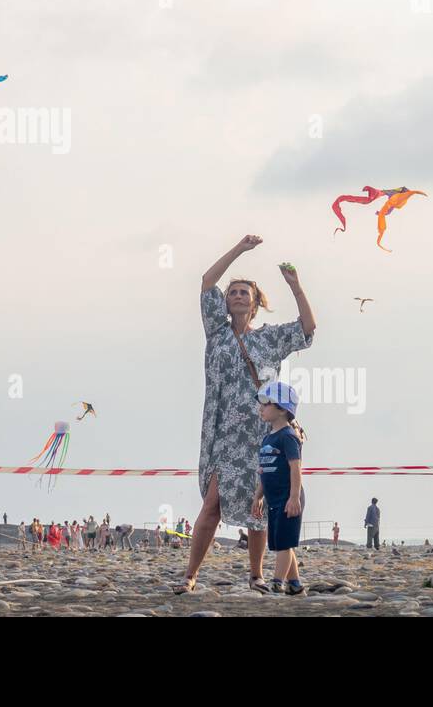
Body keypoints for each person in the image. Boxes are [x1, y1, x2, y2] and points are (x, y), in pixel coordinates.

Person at [178, 235, 316, 595]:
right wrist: (239, 248)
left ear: (254, 305)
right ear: (226, 303)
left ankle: (255, 575)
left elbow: (307, 328)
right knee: (212, 505)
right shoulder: (217, 333)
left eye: (244, 293)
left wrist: (296, 287)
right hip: (222, 435)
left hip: (261, 434)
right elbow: (207, 281)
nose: (237, 295)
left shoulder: (269, 339)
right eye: (233, 292)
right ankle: (190, 575)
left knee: (260, 509)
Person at [251, 380, 306, 595]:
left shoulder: (288, 437)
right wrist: (258, 496)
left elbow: (295, 468)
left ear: (282, 409)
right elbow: (264, 470)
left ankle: (277, 581)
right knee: (280, 542)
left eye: (266, 404)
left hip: (288, 497)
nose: (261, 408)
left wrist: (294, 498)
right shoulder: (268, 438)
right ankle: (295, 584)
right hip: (273, 499)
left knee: (283, 543)